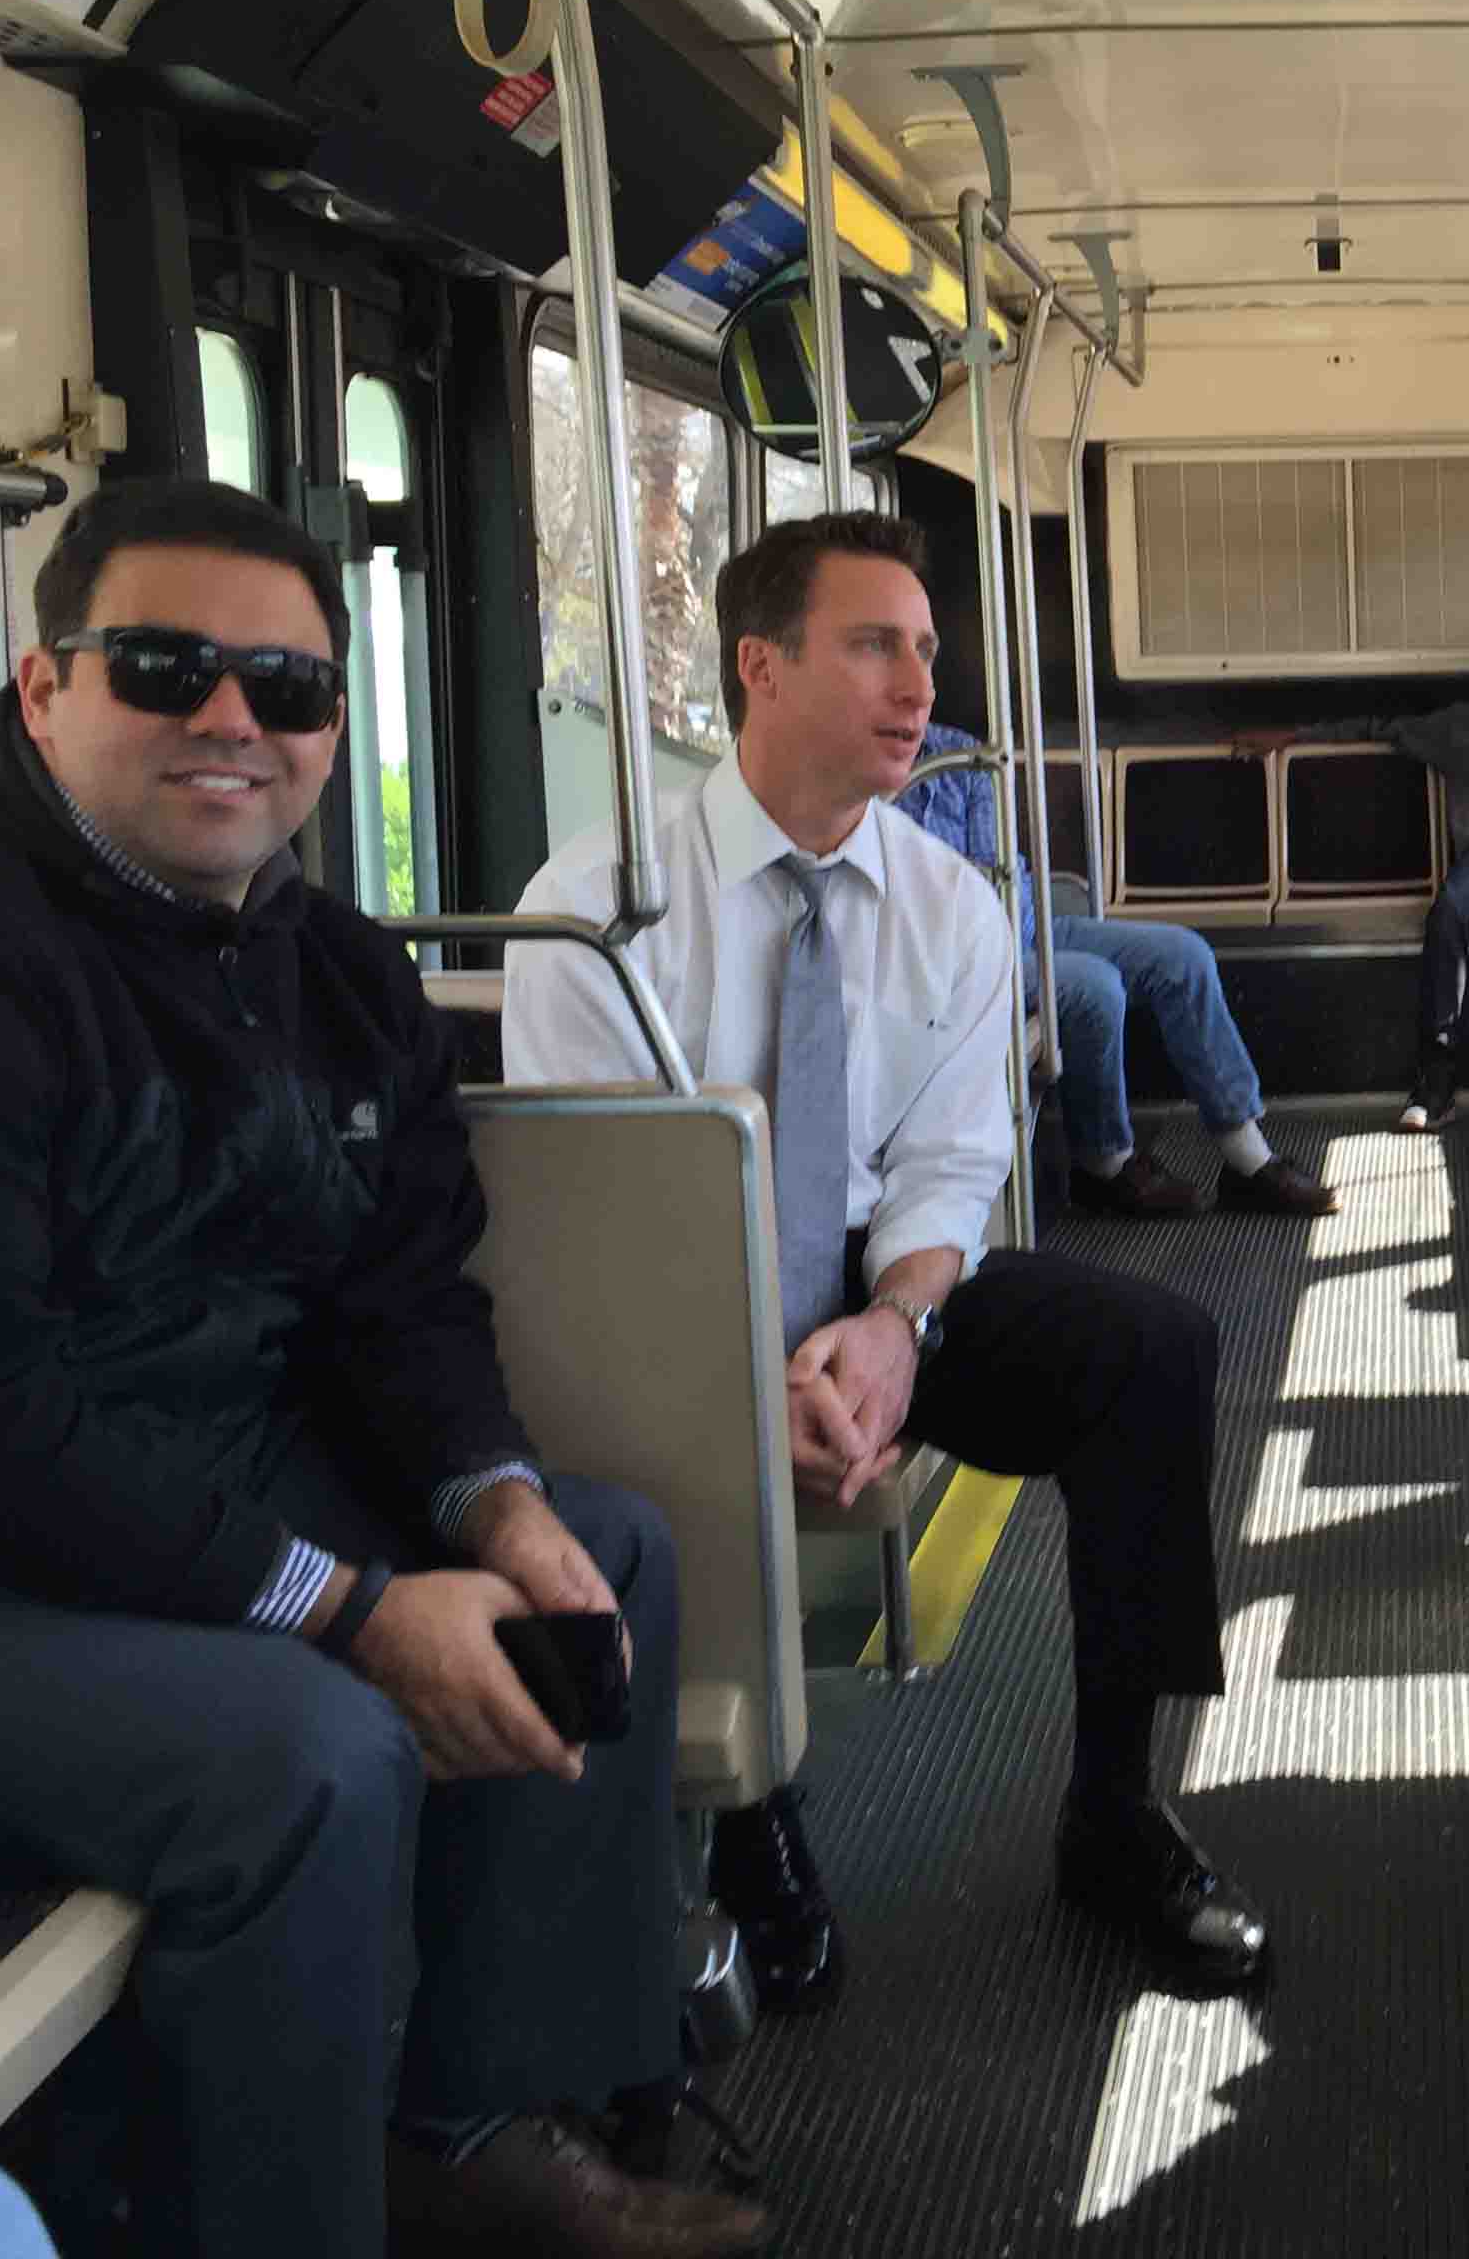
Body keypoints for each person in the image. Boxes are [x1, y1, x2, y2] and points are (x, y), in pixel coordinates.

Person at [0, 481, 768, 2259]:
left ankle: (469, 2126)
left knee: (600, 1561)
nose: (233, 718)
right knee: (302, 1752)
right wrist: (350, 1602)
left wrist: (494, 1503)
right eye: (167, 666)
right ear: (44, 685)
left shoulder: (337, 973)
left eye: (289, 690)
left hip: (192, 1476)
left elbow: (402, 1305)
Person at [505, 512, 1268, 2011]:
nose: (916, 683)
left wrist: (898, 1323)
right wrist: (750, 1365)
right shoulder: (592, 912)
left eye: (924, 649)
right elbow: (599, 1211)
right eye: (873, 645)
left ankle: (1115, 1808)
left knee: (1149, 1352)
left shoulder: (953, 910)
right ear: (759, 667)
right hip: (677, 1301)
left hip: (877, 1283)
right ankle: (745, 1810)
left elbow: (948, 1165)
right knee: (636, 1424)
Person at [896, 722, 1335, 1216]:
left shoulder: (961, 754)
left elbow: (993, 867)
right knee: (1092, 987)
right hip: (958, 959)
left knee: (1182, 957)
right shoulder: (856, 772)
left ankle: (1247, 1159)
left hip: (1027, 926)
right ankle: (1105, 1166)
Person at [1230, 610, 1469, 1128]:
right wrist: (1294, 733)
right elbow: (1381, 729)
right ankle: (1438, 1077)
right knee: (1449, 912)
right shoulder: (1468, 722)